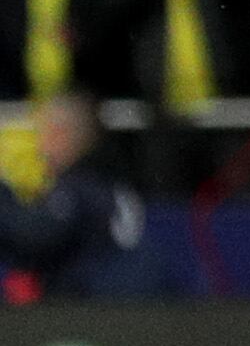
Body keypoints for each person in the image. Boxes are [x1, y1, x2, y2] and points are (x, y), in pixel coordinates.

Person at [0, 92, 167, 297]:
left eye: (41, 132)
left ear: (60, 134)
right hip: (131, 299)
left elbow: (34, 235)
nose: (38, 144)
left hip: (102, 304)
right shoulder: (107, 175)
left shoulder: (80, 186)